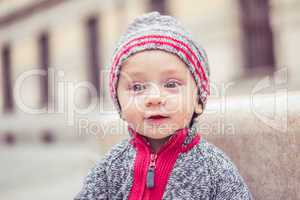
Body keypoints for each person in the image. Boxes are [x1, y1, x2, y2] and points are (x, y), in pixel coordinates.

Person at [75, 12, 253, 200]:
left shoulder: (213, 168)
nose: (154, 97)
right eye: (137, 87)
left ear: (199, 100)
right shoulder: (111, 166)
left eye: (171, 84)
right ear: (119, 105)